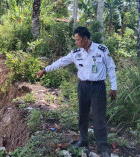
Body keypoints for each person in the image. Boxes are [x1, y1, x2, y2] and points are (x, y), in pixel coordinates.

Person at [36, 27, 117, 157]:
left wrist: (114, 87)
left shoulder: (101, 49)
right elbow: (61, 62)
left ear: (85, 39)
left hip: (98, 88)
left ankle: (102, 146)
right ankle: (83, 140)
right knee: (82, 115)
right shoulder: (76, 52)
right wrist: (45, 70)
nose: (76, 42)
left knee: (99, 119)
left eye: (78, 40)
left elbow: (111, 67)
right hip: (83, 87)